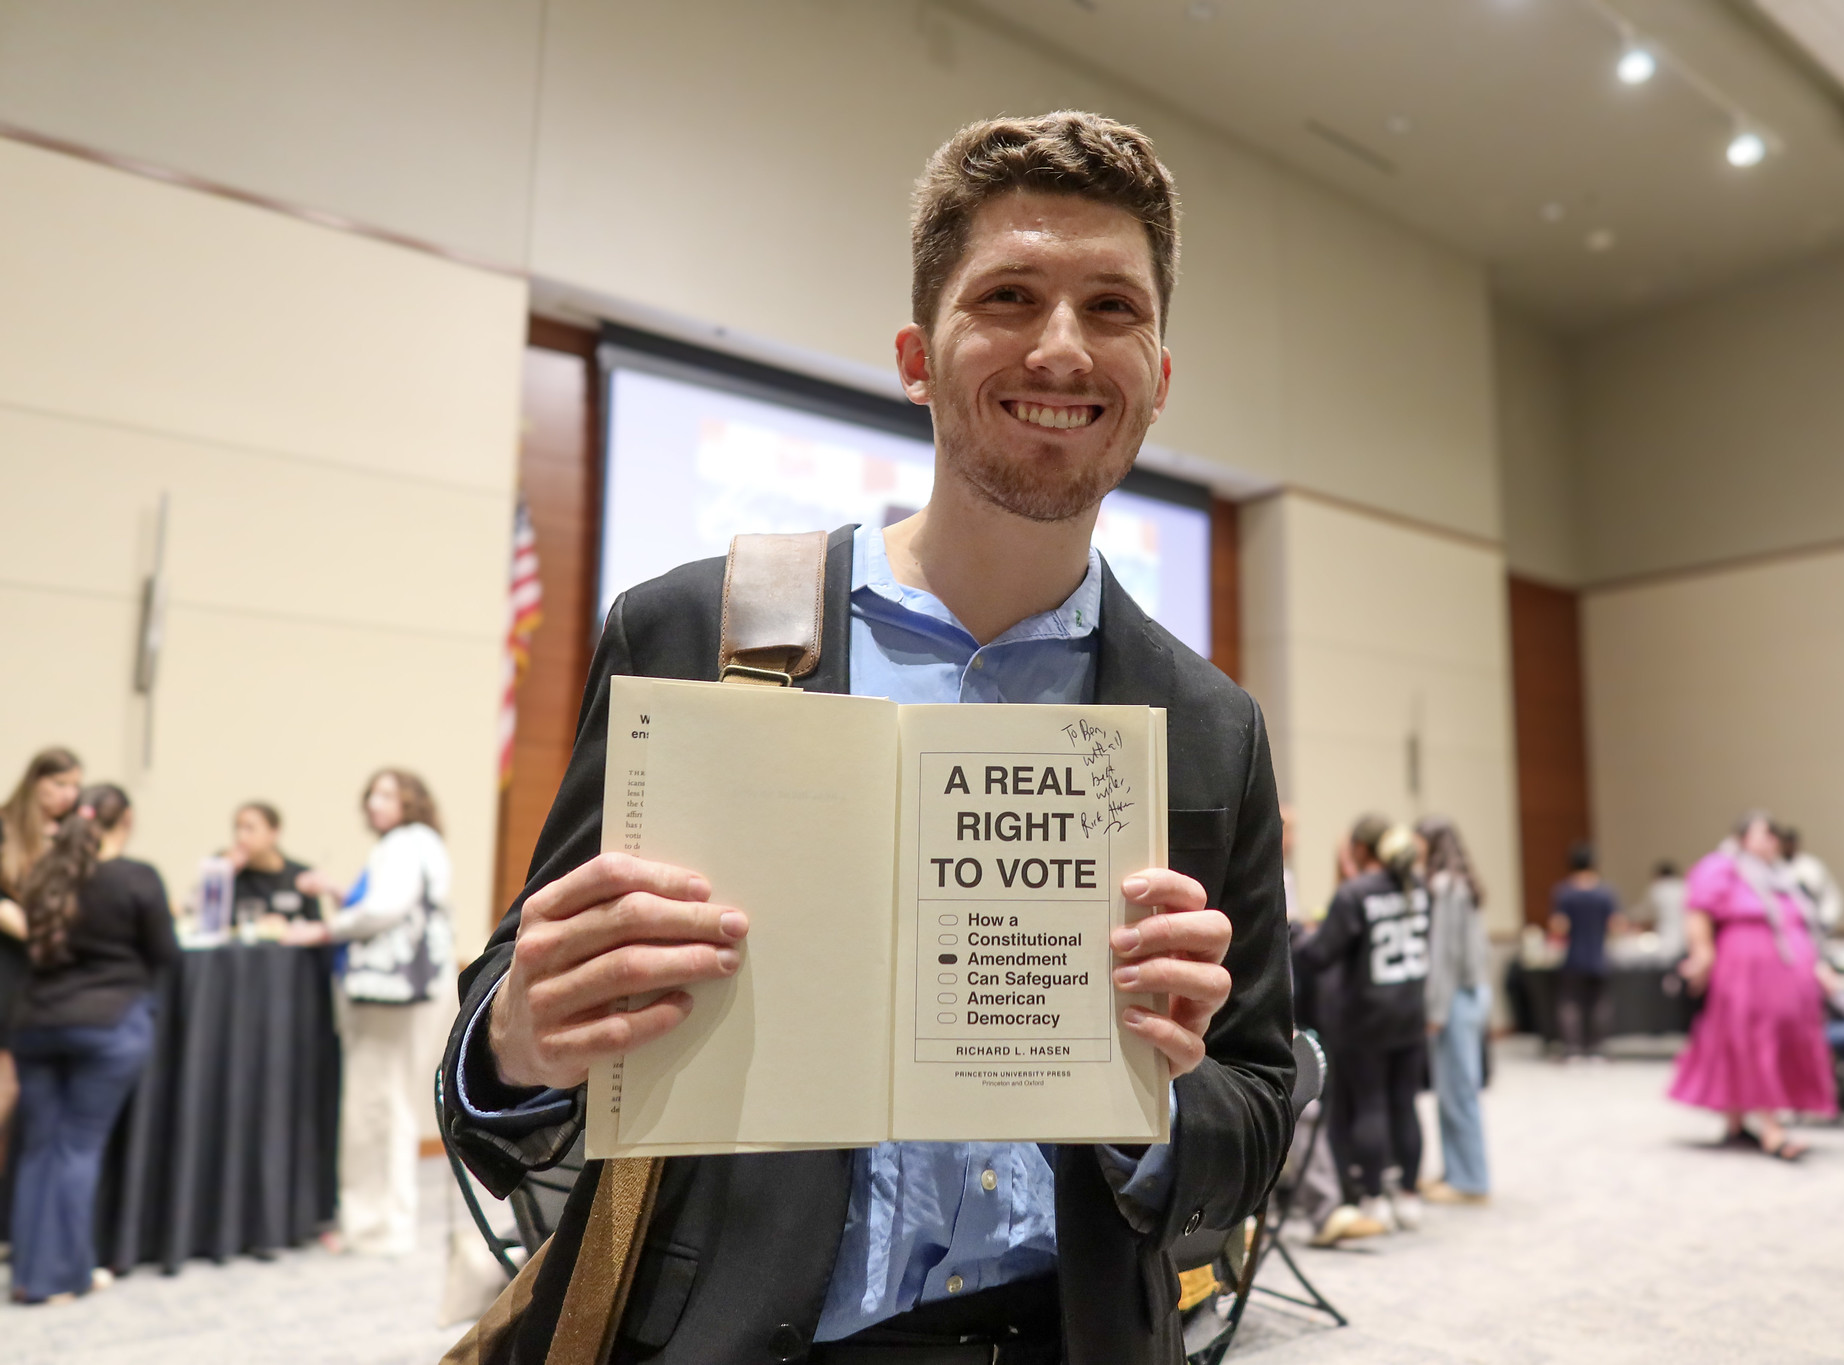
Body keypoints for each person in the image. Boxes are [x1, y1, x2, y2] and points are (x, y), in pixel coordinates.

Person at [439, 111, 1291, 1365]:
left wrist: (1153, 1103)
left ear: (1158, 372)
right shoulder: (696, 630)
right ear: (914, 353)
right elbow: (498, 1064)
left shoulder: (1209, 724)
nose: (1062, 347)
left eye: (1112, 308)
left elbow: (1260, 1102)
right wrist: (520, 1034)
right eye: (1008, 295)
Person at [9, 784, 177, 1303]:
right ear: (124, 820)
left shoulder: (44, 875)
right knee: (77, 1149)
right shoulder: (136, 878)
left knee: (40, 1147)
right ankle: (61, 1279)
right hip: (108, 1026)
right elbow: (166, 954)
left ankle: (29, 1277)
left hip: (36, 1024)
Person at [286, 769, 452, 1256]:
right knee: (391, 1104)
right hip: (413, 993)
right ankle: (384, 1222)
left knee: (374, 1108)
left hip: (389, 996)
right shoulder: (421, 843)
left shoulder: (404, 842)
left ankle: (373, 1228)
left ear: (411, 801)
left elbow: (385, 911)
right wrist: (340, 891)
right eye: (372, 795)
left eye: (387, 794)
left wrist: (322, 930)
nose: (375, 803)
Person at [1669, 812, 1837, 1160]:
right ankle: (1772, 1129)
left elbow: (1805, 925)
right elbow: (1697, 910)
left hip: (1786, 976)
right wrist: (1702, 953)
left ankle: (1735, 1125)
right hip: (1744, 973)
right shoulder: (1722, 867)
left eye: (1776, 835)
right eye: (1764, 834)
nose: (1772, 841)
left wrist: (1819, 965)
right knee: (1752, 1038)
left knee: (1758, 1038)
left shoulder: (1784, 876)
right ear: (1743, 837)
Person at [1296, 817, 1431, 1243]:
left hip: (1366, 1019)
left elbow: (1319, 955)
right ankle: (1409, 1195)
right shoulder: (1417, 886)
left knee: (1370, 1104)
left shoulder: (1356, 893)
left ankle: (1373, 1198)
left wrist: (1294, 934)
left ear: (1358, 849)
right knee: (1404, 1104)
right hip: (1410, 1012)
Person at [0, 747, 83, 1189]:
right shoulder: (5, 826)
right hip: (9, 963)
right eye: (59, 785)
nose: (67, 795)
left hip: (48, 973)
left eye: (74, 786)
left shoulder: (72, 834)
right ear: (36, 783)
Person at [1417, 816, 1490, 1205]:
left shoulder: (1446, 887)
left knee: (1458, 1090)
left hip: (1455, 999)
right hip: (1469, 994)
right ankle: (1455, 1170)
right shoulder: (1461, 883)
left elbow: (1444, 954)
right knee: (1451, 1089)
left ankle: (1471, 1181)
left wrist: (1435, 1010)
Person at [1550, 842, 1626, 1059]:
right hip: (1598, 955)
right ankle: (1597, 1049)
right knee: (1600, 1003)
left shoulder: (1564, 892)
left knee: (1570, 1003)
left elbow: (1559, 925)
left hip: (1573, 956)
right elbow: (1616, 924)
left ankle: (1573, 1049)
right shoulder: (1605, 892)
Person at [220, 802, 322, 926]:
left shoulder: (301, 875)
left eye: (249, 828)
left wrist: (286, 928)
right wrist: (224, 873)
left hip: (287, 944)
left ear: (274, 832)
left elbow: (317, 925)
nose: (241, 836)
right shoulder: (228, 871)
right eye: (237, 828)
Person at [1779, 827, 1844, 940]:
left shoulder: (1811, 866)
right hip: (1784, 927)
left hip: (1813, 924)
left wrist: (1826, 920)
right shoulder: (1772, 868)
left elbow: (1830, 895)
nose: (1788, 846)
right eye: (1784, 843)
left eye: (1790, 842)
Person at [1637, 859, 1688, 956]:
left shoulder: (1657, 888)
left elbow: (1643, 915)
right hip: (1688, 941)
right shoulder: (1684, 886)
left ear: (1658, 875)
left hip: (1666, 942)